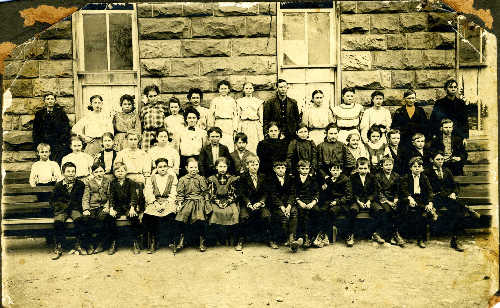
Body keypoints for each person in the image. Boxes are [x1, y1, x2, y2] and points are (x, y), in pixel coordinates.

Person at [425, 151, 479, 252]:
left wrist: (454, 193)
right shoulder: (427, 172)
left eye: (442, 159)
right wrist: (431, 200)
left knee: (457, 211)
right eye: (438, 159)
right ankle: (467, 208)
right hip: (434, 199)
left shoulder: (447, 170)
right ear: (432, 160)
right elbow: (427, 189)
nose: (440, 162)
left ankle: (454, 239)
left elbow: (454, 185)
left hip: (447, 198)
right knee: (451, 202)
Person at [50, 162, 86, 260]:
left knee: (79, 220)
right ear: (63, 173)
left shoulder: (80, 184)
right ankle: (59, 245)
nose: (71, 173)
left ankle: (78, 244)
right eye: (68, 171)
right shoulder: (58, 185)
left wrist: (78, 207)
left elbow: (82, 198)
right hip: (62, 209)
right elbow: (53, 200)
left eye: (73, 171)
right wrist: (58, 208)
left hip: (75, 208)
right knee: (58, 222)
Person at [237, 154, 273, 251]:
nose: (254, 167)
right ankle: (240, 240)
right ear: (247, 165)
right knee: (243, 217)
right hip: (247, 204)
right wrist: (248, 203)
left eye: (256, 165)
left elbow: (266, 193)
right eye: (252, 165)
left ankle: (270, 239)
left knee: (266, 216)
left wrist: (261, 202)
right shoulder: (243, 177)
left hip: (259, 204)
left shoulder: (263, 176)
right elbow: (242, 193)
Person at [175, 157, 211, 252]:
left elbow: (205, 192)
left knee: (200, 218)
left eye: (195, 167)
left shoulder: (201, 178)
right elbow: (180, 193)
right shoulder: (183, 179)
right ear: (186, 168)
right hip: (187, 201)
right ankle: (181, 240)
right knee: (182, 217)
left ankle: (202, 240)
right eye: (191, 167)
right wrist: (179, 203)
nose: (194, 169)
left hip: (199, 201)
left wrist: (206, 202)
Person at [143, 158, 178, 254]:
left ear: (168, 167)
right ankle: (154, 241)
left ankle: (172, 240)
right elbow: (148, 192)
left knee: (171, 215)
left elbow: (174, 192)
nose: (162, 169)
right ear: (156, 168)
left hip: (168, 201)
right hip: (155, 201)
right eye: (160, 167)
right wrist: (155, 203)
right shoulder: (152, 178)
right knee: (149, 216)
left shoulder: (172, 177)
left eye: (164, 166)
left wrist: (166, 203)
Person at [400, 157, 436, 248]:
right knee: (411, 210)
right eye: (414, 166)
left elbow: (430, 191)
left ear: (422, 168)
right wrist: (409, 198)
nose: (417, 168)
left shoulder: (424, 177)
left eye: (419, 166)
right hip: (410, 198)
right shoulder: (406, 177)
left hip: (421, 199)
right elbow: (403, 190)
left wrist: (430, 202)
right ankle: (407, 235)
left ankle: (421, 238)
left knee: (422, 214)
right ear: (410, 168)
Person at [349, 157, 386, 247]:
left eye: (365, 168)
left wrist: (369, 200)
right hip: (357, 200)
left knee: (379, 210)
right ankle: (350, 235)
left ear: (368, 168)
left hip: (370, 200)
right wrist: (358, 201)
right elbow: (351, 192)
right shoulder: (353, 177)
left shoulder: (372, 177)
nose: (363, 170)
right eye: (360, 168)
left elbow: (375, 191)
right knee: (353, 210)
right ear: (357, 168)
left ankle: (375, 233)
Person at [107, 162, 142, 254]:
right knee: (110, 218)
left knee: (133, 216)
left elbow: (134, 196)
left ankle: (135, 241)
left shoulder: (130, 183)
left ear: (126, 172)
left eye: (122, 171)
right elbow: (111, 197)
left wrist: (132, 208)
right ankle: (113, 242)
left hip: (128, 206)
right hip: (117, 206)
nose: (120, 173)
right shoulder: (113, 183)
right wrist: (111, 208)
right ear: (114, 173)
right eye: (117, 171)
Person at [206, 157, 240, 245]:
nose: (222, 169)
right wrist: (219, 203)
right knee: (215, 212)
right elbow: (211, 194)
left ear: (227, 167)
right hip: (216, 201)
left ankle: (232, 238)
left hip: (229, 200)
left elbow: (233, 194)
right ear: (216, 167)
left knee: (234, 212)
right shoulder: (212, 179)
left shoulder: (232, 179)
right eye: (220, 166)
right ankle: (216, 238)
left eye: (224, 167)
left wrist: (226, 203)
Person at [318, 162, 352, 247]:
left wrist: (337, 202)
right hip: (330, 202)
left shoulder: (345, 179)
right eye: (333, 170)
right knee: (321, 210)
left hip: (342, 203)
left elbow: (348, 196)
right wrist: (324, 189)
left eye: (337, 170)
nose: (335, 172)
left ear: (341, 170)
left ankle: (324, 235)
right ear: (330, 171)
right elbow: (325, 196)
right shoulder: (329, 180)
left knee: (332, 211)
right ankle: (324, 236)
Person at [81, 162, 112, 254]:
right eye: (96, 172)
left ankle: (101, 244)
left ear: (104, 172)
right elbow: (85, 197)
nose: (99, 174)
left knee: (103, 218)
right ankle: (89, 243)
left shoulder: (108, 181)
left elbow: (110, 196)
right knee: (86, 219)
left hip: (103, 206)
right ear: (92, 173)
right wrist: (86, 209)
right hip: (92, 206)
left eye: (101, 171)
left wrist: (107, 206)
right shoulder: (89, 183)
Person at [265, 160, 296, 250]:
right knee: (283, 217)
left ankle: (291, 238)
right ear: (274, 169)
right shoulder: (270, 179)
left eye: (283, 168)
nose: (281, 170)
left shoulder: (290, 179)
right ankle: (283, 238)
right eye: (278, 168)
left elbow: (292, 193)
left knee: (294, 213)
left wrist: (289, 206)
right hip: (277, 205)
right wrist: (282, 207)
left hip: (288, 204)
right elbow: (273, 195)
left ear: (286, 169)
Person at [290, 160, 320, 251]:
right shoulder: (294, 179)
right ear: (298, 169)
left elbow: (317, 193)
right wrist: (300, 202)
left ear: (309, 169)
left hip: (310, 201)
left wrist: (313, 203)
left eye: (307, 168)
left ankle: (312, 237)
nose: (305, 171)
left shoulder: (313, 179)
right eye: (303, 168)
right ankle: (301, 237)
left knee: (316, 211)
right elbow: (293, 193)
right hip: (300, 202)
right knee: (301, 212)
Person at [375, 156, 405, 247]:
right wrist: (388, 202)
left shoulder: (396, 176)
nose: (388, 167)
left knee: (400, 209)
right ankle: (389, 236)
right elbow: (378, 192)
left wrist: (396, 199)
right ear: (382, 166)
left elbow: (398, 189)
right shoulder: (378, 176)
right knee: (388, 211)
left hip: (393, 199)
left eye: (390, 164)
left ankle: (396, 233)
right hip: (383, 199)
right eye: (386, 165)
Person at [32, 93, 71, 164]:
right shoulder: (39, 114)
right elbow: (36, 131)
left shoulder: (61, 113)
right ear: (44, 101)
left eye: (52, 99)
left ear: (55, 101)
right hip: (44, 145)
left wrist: (62, 143)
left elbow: (66, 129)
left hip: (57, 145)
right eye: (48, 99)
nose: (50, 101)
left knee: (57, 163)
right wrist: (38, 144)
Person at [208, 80, 239, 152]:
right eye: (222, 88)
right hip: (219, 122)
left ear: (228, 90)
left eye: (225, 88)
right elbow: (211, 115)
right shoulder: (215, 100)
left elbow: (235, 115)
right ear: (219, 90)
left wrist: (235, 128)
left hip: (229, 123)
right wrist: (211, 127)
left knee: (229, 142)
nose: (223, 90)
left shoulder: (232, 101)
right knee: (219, 140)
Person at [178, 107, 207, 176]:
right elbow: (177, 148)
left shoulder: (203, 132)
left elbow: (205, 148)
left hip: (198, 159)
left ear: (197, 119)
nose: (192, 120)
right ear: (186, 119)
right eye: (189, 118)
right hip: (184, 160)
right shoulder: (180, 132)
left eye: (194, 118)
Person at [236, 82, 264, 153]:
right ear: (243, 90)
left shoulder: (258, 101)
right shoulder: (239, 101)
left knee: (254, 144)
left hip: (254, 125)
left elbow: (261, 116)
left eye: (250, 88)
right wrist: (237, 128)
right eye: (246, 88)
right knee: (243, 142)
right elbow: (238, 116)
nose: (248, 90)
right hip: (244, 124)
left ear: (253, 89)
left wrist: (261, 126)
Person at [140, 85, 168, 151]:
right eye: (150, 96)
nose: (153, 98)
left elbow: (166, 122)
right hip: (147, 135)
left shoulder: (163, 107)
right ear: (147, 97)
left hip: (159, 135)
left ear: (158, 95)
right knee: (146, 154)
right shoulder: (144, 109)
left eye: (155, 96)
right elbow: (141, 124)